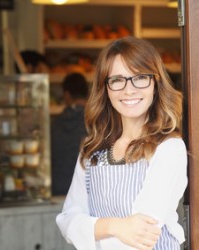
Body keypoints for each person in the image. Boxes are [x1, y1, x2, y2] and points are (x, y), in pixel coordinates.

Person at [56, 36, 188, 250]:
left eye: (140, 77)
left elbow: (142, 235)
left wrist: (92, 229)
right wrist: (115, 226)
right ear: (105, 88)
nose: (129, 90)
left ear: (155, 83)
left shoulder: (169, 148)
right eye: (117, 80)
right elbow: (67, 221)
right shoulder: (93, 151)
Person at [51, 72, 89, 196]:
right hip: (86, 191)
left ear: (66, 94)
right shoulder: (96, 122)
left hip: (57, 189)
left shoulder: (56, 123)